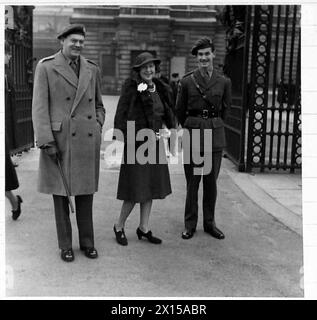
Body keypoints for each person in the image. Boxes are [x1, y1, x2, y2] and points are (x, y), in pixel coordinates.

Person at [32, 24, 105, 262]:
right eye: (73, 40)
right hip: (59, 140)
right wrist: (46, 140)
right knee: (61, 194)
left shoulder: (92, 69)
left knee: (85, 193)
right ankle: (65, 245)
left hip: (86, 139)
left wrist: (97, 123)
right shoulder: (46, 67)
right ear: (61, 41)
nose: (78, 45)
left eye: (81, 41)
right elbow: (40, 108)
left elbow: (99, 105)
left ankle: (87, 243)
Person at [113, 52, 176, 246]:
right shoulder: (134, 88)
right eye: (145, 67)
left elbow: (167, 114)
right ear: (138, 71)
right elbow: (121, 113)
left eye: (152, 66)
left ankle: (144, 228)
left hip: (155, 144)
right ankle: (119, 226)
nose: (149, 70)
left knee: (150, 188)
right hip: (137, 144)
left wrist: (170, 131)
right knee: (135, 189)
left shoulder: (161, 88)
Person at [176, 37, 232, 240]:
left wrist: (213, 124)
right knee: (193, 182)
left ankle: (210, 223)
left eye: (207, 54)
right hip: (193, 134)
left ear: (213, 55)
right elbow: (180, 111)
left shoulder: (224, 81)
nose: (204, 58)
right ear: (196, 58)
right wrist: (193, 125)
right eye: (200, 55)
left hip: (214, 136)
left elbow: (226, 109)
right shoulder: (187, 81)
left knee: (211, 183)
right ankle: (190, 224)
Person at [5, 40, 23, 220]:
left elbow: (10, 109)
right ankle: (15, 201)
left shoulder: (6, 75)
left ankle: (15, 201)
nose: (9, 57)